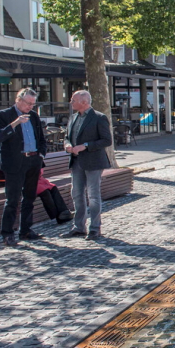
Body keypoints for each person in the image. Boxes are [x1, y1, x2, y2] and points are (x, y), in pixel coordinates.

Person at [0, 88, 48, 246]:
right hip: (15, 163)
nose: (31, 107)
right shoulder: (3, 115)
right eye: (28, 103)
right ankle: (8, 233)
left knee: (29, 198)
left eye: (33, 104)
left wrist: (41, 156)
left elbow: (41, 140)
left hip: (33, 161)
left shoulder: (34, 117)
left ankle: (25, 230)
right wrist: (15, 123)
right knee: (13, 200)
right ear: (18, 100)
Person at [64, 90, 113, 240]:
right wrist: (67, 144)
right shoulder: (73, 118)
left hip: (93, 162)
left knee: (93, 195)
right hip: (77, 162)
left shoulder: (99, 118)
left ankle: (95, 228)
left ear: (84, 102)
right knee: (77, 194)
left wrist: (85, 145)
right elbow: (67, 136)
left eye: (74, 100)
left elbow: (107, 140)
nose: (71, 103)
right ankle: (79, 227)